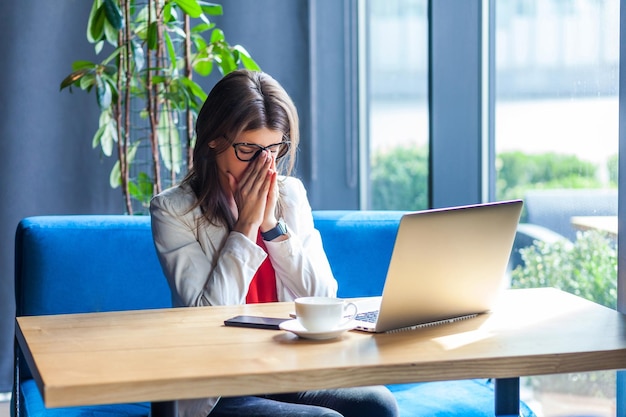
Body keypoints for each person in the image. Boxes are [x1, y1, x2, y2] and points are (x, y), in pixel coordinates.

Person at [150, 69, 399, 417]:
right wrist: (245, 226)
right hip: (218, 383)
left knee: (379, 405)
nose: (262, 164)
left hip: (287, 366)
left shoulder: (290, 195)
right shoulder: (174, 210)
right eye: (248, 149)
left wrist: (271, 227)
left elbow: (324, 297)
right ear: (212, 140)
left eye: (273, 149)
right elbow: (205, 318)